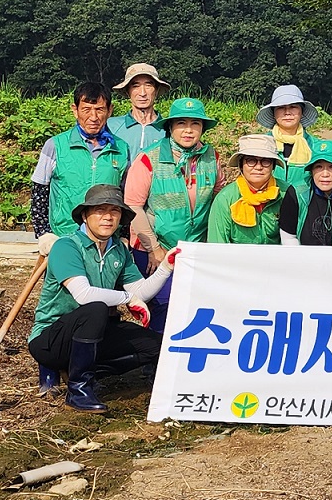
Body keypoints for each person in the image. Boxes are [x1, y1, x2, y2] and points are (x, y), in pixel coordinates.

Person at [28, 185, 171, 413]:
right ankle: (79, 390)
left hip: (94, 333)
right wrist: (127, 298)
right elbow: (83, 295)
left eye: (114, 211)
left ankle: (78, 370)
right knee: (95, 309)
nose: (108, 217)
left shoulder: (119, 250)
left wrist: (165, 267)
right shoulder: (66, 246)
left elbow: (140, 292)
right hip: (51, 338)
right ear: (85, 215)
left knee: (156, 346)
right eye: (100, 210)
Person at [122, 97, 221, 330]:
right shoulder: (149, 158)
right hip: (155, 249)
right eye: (181, 124)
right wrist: (154, 248)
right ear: (170, 127)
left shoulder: (211, 157)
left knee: (192, 308)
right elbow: (134, 206)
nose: (188, 130)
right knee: (163, 309)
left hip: (194, 249)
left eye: (195, 124)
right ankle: (155, 362)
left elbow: (217, 195)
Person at [31, 82, 130, 242]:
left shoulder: (121, 149)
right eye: (86, 110)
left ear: (110, 110)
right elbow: (39, 192)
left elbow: (126, 196)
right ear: (75, 110)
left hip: (106, 239)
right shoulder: (56, 145)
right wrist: (44, 234)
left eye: (100, 110)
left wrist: (124, 235)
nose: (93, 117)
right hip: (63, 236)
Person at [208, 134, 286, 245]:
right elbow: (217, 244)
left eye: (266, 161)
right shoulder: (225, 199)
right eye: (251, 161)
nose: (258, 167)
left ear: (273, 166)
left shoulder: (286, 193)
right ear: (241, 165)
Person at [257, 84, 320, 193]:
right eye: (281, 107)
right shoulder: (261, 145)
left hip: (304, 207)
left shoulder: (315, 146)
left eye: (293, 107)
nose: (287, 112)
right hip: (269, 206)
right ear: (273, 113)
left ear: (302, 111)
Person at [108, 63, 170, 158]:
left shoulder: (169, 129)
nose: (142, 93)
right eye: (135, 86)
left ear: (156, 90)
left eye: (148, 85)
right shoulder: (111, 126)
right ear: (127, 91)